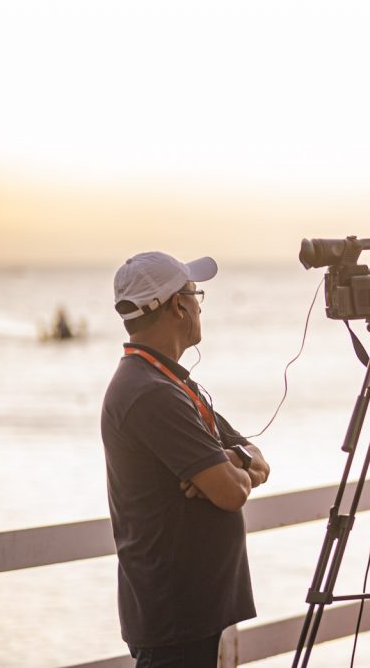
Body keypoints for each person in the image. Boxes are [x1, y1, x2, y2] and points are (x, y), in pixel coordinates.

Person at [100, 251, 271, 667]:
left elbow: (259, 460)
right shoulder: (152, 393)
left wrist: (230, 457)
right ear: (178, 306)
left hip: (190, 611)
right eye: (195, 294)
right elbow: (233, 493)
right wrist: (232, 471)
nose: (198, 304)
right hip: (175, 614)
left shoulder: (170, 383)